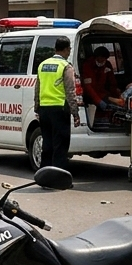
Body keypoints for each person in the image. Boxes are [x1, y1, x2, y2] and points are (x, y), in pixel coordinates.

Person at [35, 37, 80, 169]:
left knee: (47, 144)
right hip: (60, 109)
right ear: (66, 49)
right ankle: (58, 177)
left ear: (55, 49)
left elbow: (37, 89)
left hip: (44, 110)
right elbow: (70, 92)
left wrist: (37, 108)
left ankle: (44, 175)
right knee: (60, 145)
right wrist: (75, 113)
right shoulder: (66, 66)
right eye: (69, 50)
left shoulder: (42, 65)